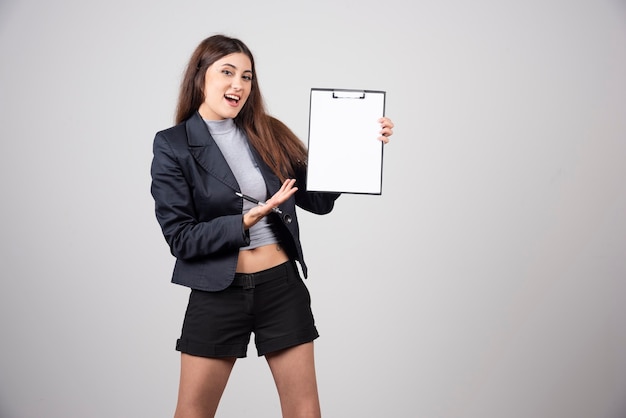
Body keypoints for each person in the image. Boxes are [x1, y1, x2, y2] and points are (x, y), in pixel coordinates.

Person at [150, 34, 394, 418]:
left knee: (303, 410)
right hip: (218, 291)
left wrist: (360, 148)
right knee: (193, 411)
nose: (238, 85)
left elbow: (318, 199)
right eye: (227, 72)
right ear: (200, 77)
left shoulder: (268, 131)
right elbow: (180, 238)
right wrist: (247, 219)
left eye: (246, 76)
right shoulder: (173, 145)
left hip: (281, 287)